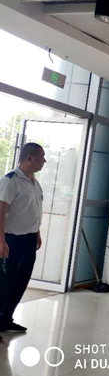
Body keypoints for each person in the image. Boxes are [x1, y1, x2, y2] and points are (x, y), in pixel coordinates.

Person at [0, 143, 46, 337]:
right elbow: (1, 211)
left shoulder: (34, 182)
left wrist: (37, 232)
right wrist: (1, 241)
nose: (44, 161)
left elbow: (32, 210)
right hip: (12, 240)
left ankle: (5, 320)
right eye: (42, 157)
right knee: (4, 281)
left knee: (21, 281)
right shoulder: (11, 181)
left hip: (29, 239)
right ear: (30, 158)